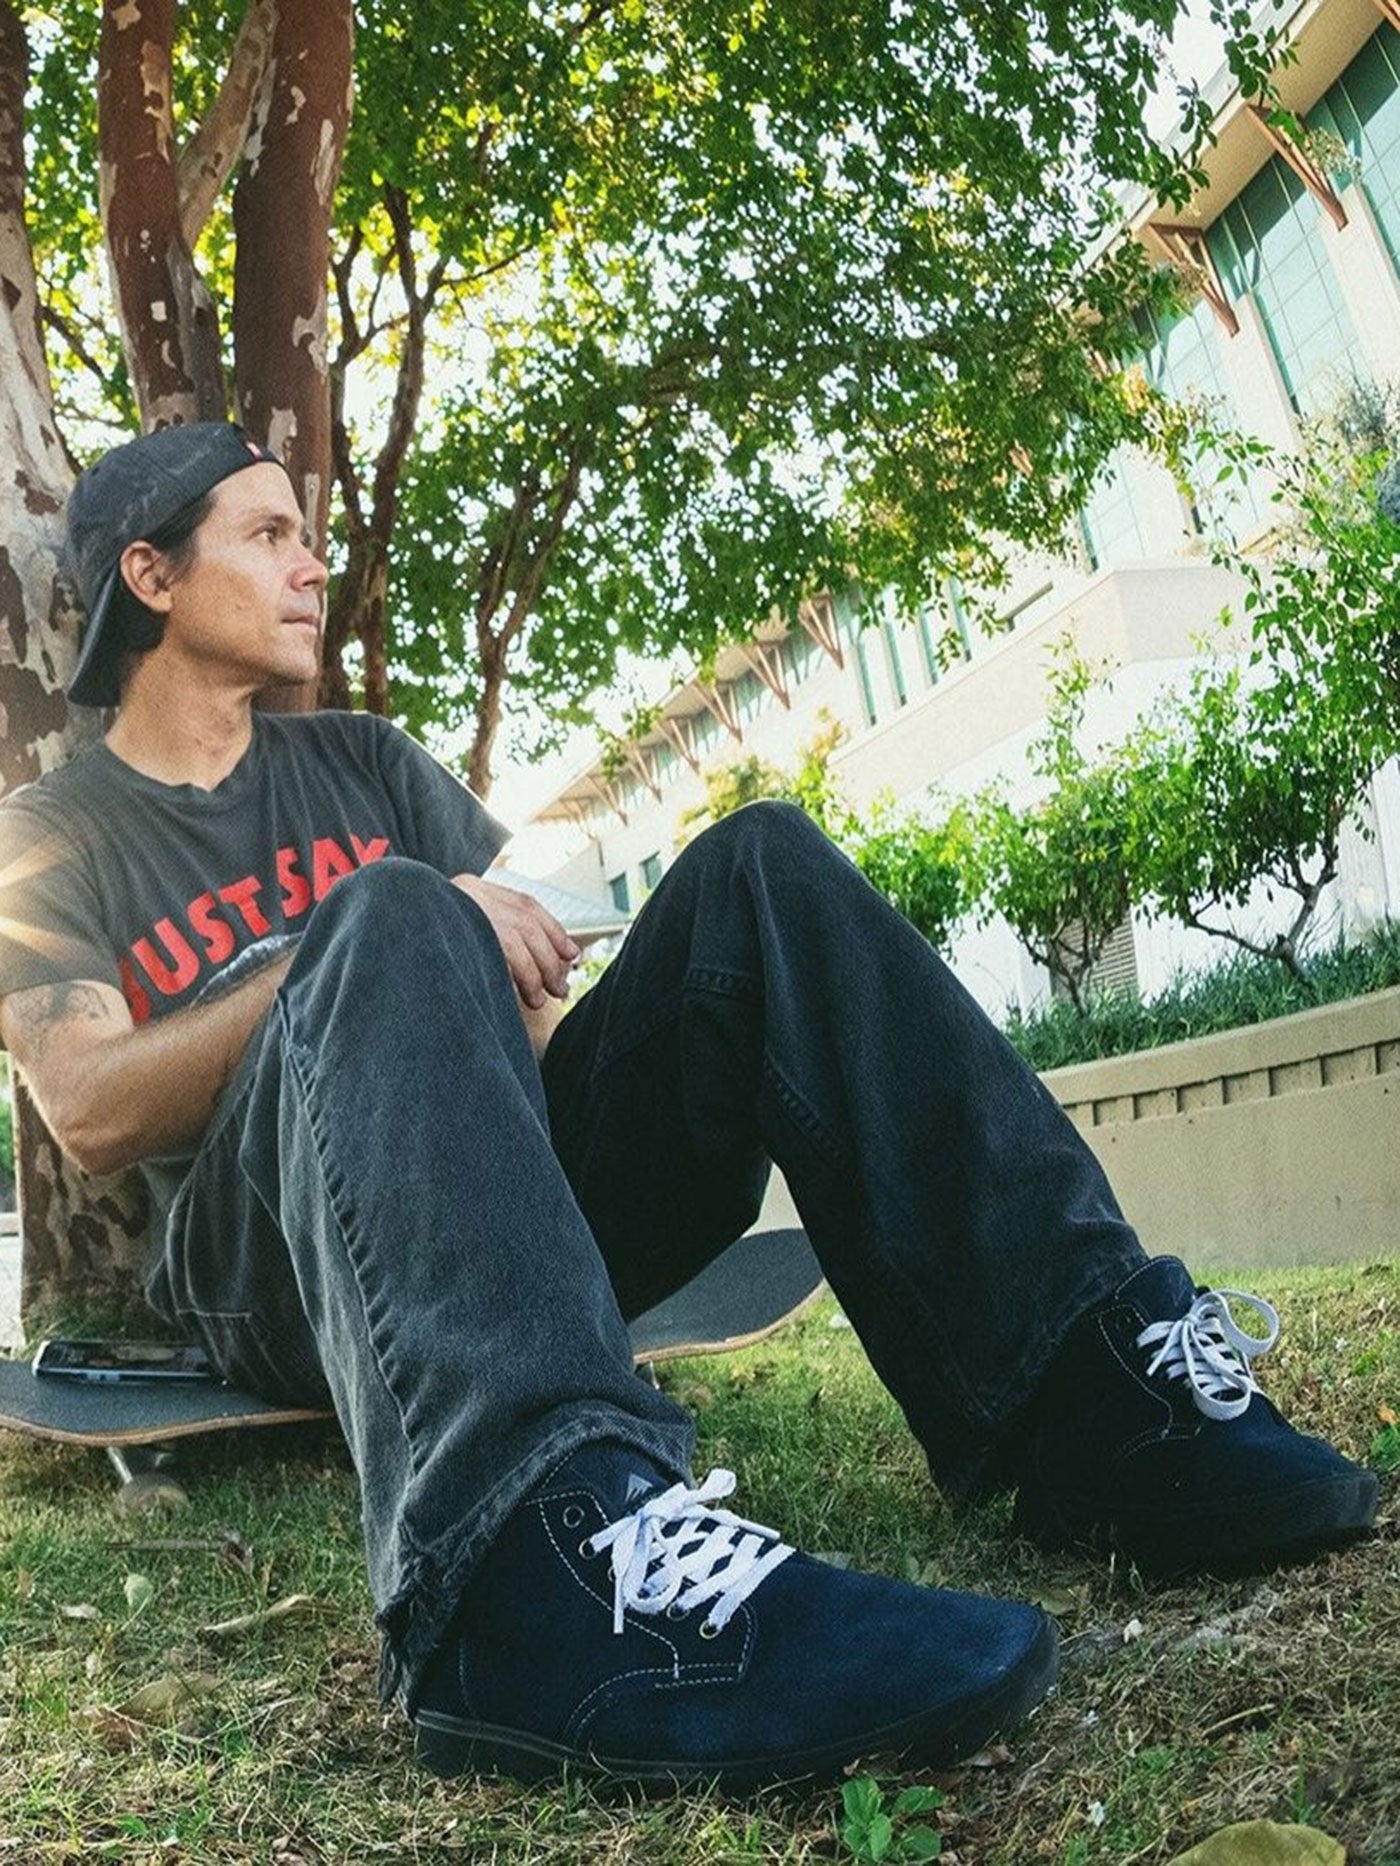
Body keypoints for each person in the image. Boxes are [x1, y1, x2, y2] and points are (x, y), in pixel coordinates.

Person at [0, 423, 1377, 1794]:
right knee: (392, 912)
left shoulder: (363, 760)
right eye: (268, 535)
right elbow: (86, 1104)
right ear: (153, 577)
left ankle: (1077, 1390)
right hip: (276, 1268)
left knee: (760, 868)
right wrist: (363, 938)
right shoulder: (51, 834)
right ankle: (528, 1580)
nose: (314, 566)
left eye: (307, 535)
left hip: (491, 1221)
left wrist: (542, 1014)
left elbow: (528, 1026)